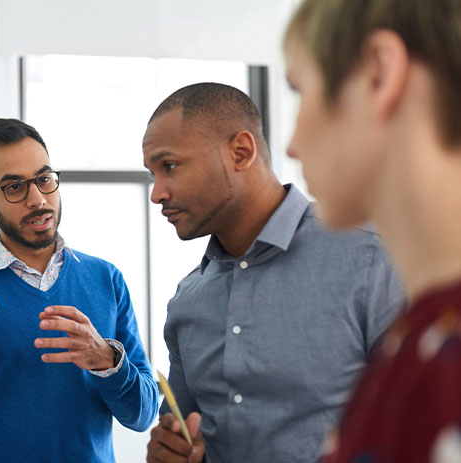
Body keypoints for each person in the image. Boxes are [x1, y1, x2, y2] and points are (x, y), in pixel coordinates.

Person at [142, 83, 404, 463]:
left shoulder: (371, 257)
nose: (156, 193)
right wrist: (171, 452)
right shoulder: (188, 301)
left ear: (241, 152)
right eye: (152, 174)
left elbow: (426, 425)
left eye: (169, 166)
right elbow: (183, 432)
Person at [0, 118, 157, 462]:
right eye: (14, 187)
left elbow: (143, 414)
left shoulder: (106, 278)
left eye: (44, 179)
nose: (37, 199)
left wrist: (105, 359)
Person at [283, 0, 461, 461]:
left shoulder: (443, 360)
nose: (292, 144)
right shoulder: (421, 333)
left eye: (300, 91)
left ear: (378, 74)